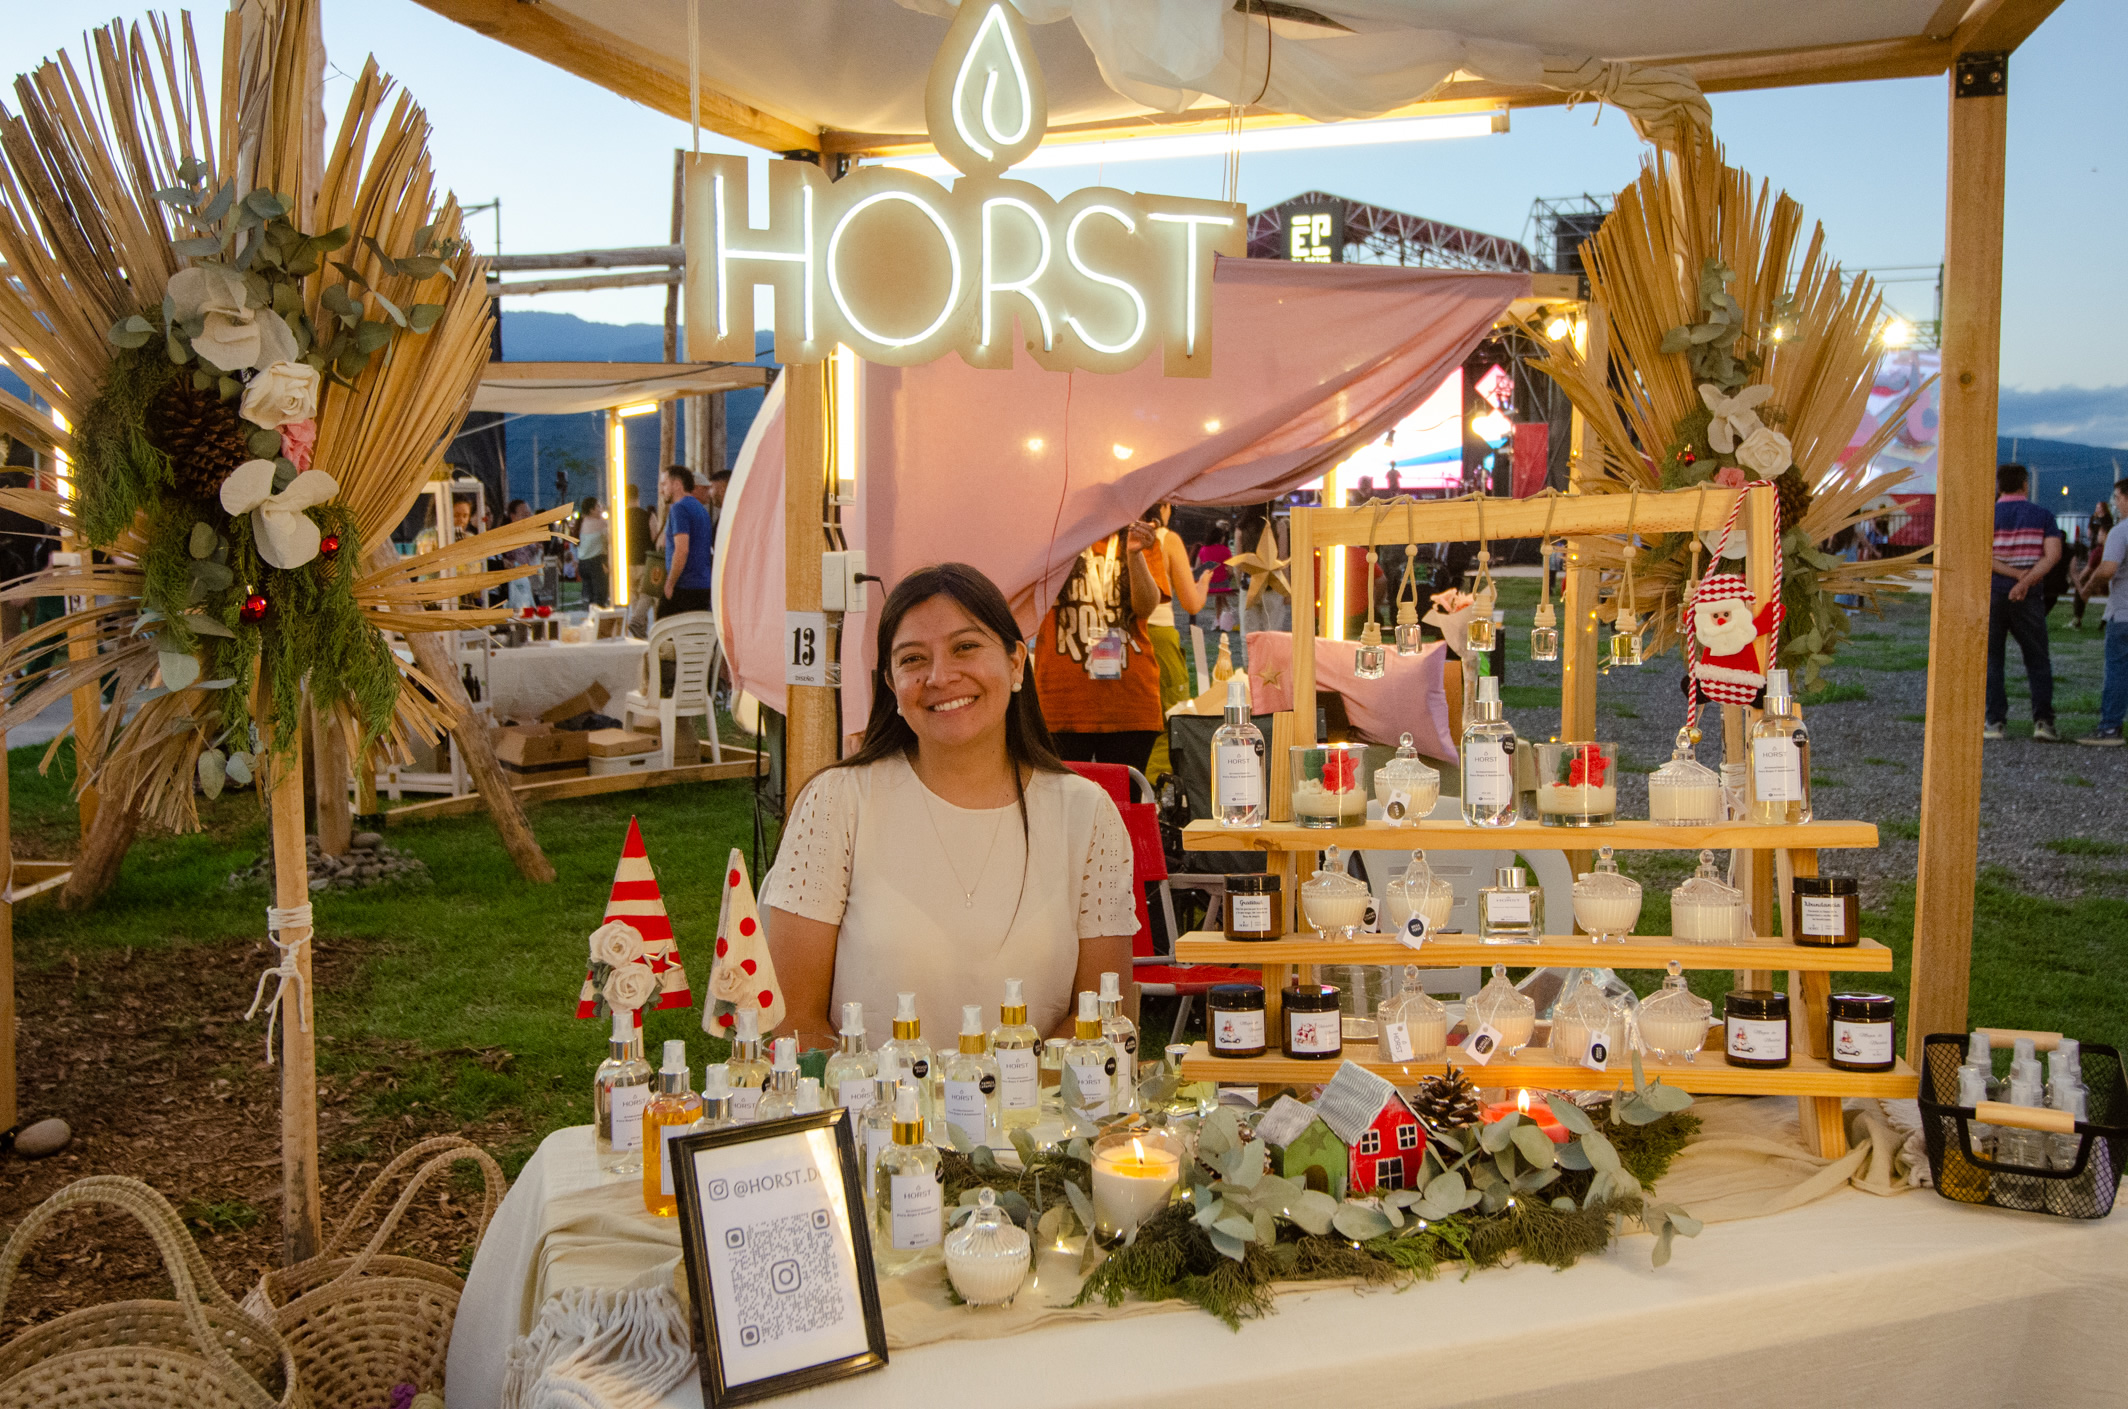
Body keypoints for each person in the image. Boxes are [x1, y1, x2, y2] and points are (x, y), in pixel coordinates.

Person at [761, 562, 1136, 1047]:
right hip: (870, 1096)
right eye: (913, 659)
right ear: (892, 685)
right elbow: (795, 1023)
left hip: (1042, 1097)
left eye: (965, 647)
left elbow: (1103, 1017)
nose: (940, 676)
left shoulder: (1086, 814)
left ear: (1016, 662)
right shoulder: (836, 803)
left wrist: (1009, 1088)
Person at [1034, 522, 1164, 770]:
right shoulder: (1049, 538)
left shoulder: (1140, 535)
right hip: (1061, 703)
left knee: (1123, 795)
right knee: (1063, 794)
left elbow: (1145, 608)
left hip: (1129, 704)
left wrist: (1134, 554)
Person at [1986, 462, 2061, 742]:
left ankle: (1995, 721)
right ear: (2025, 485)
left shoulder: (1988, 516)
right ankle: (2043, 721)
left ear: (1998, 486)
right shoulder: (2043, 516)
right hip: (2029, 598)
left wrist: (2014, 575)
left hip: (1994, 593)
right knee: (2037, 659)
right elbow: (2052, 555)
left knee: (1993, 659)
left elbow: (1983, 556)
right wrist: (2025, 581)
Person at [2076, 480, 2128, 747]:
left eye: (2117, 497)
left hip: (2123, 613)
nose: (2115, 503)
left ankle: (2110, 728)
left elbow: (2108, 569)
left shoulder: (2120, 531)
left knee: (2117, 670)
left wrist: (2088, 586)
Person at [659, 464, 715, 618]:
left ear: (677, 484)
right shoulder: (701, 509)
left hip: (684, 586)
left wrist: (670, 582)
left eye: (664, 484)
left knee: (664, 628)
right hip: (703, 585)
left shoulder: (679, 509)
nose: (661, 490)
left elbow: (682, 550)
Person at [2073, 500, 2113, 630]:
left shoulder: (2099, 551)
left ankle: (2077, 618)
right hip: (2110, 584)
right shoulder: (2112, 549)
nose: (2098, 536)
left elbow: (2088, 571)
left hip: (2102, 584)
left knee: (2081, 584)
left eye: (2100, 534)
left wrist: (2079, 582)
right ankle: (2105, 620)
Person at [624, 483, 656, 635]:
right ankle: (637, 622)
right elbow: (655, 538)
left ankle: (639, 630)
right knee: (646, 595)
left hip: (626, 562)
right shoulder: (648, 516)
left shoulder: (619, 518)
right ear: (638, 496)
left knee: (633, 597)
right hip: (645, 561)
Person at [575, 496, 611, 608]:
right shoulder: (600, 523)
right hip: (596, 563)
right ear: (592, 510)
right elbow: (611, 538)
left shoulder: (582, 522)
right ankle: (598, 616)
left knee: (591, 598)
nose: (600, 509)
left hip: (583, 563)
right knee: (600, 597)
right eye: (598, 507)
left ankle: (592, 615)